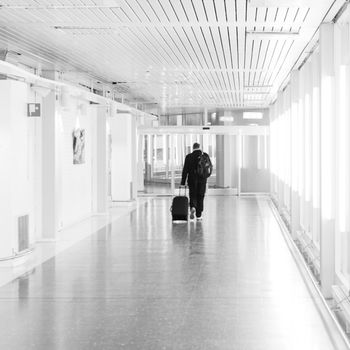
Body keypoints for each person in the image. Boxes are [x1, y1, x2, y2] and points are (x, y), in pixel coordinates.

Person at [181, 142, 212, 221]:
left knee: (193, 195)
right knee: (201, 196)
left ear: (193, 148)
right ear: (199, 147)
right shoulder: (205, 155)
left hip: (192, 180)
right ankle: (199, 215)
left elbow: (185, 170)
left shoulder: (188, 157)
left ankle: (193, 207)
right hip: (202, 180)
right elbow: (209, 167)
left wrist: (183, 182)